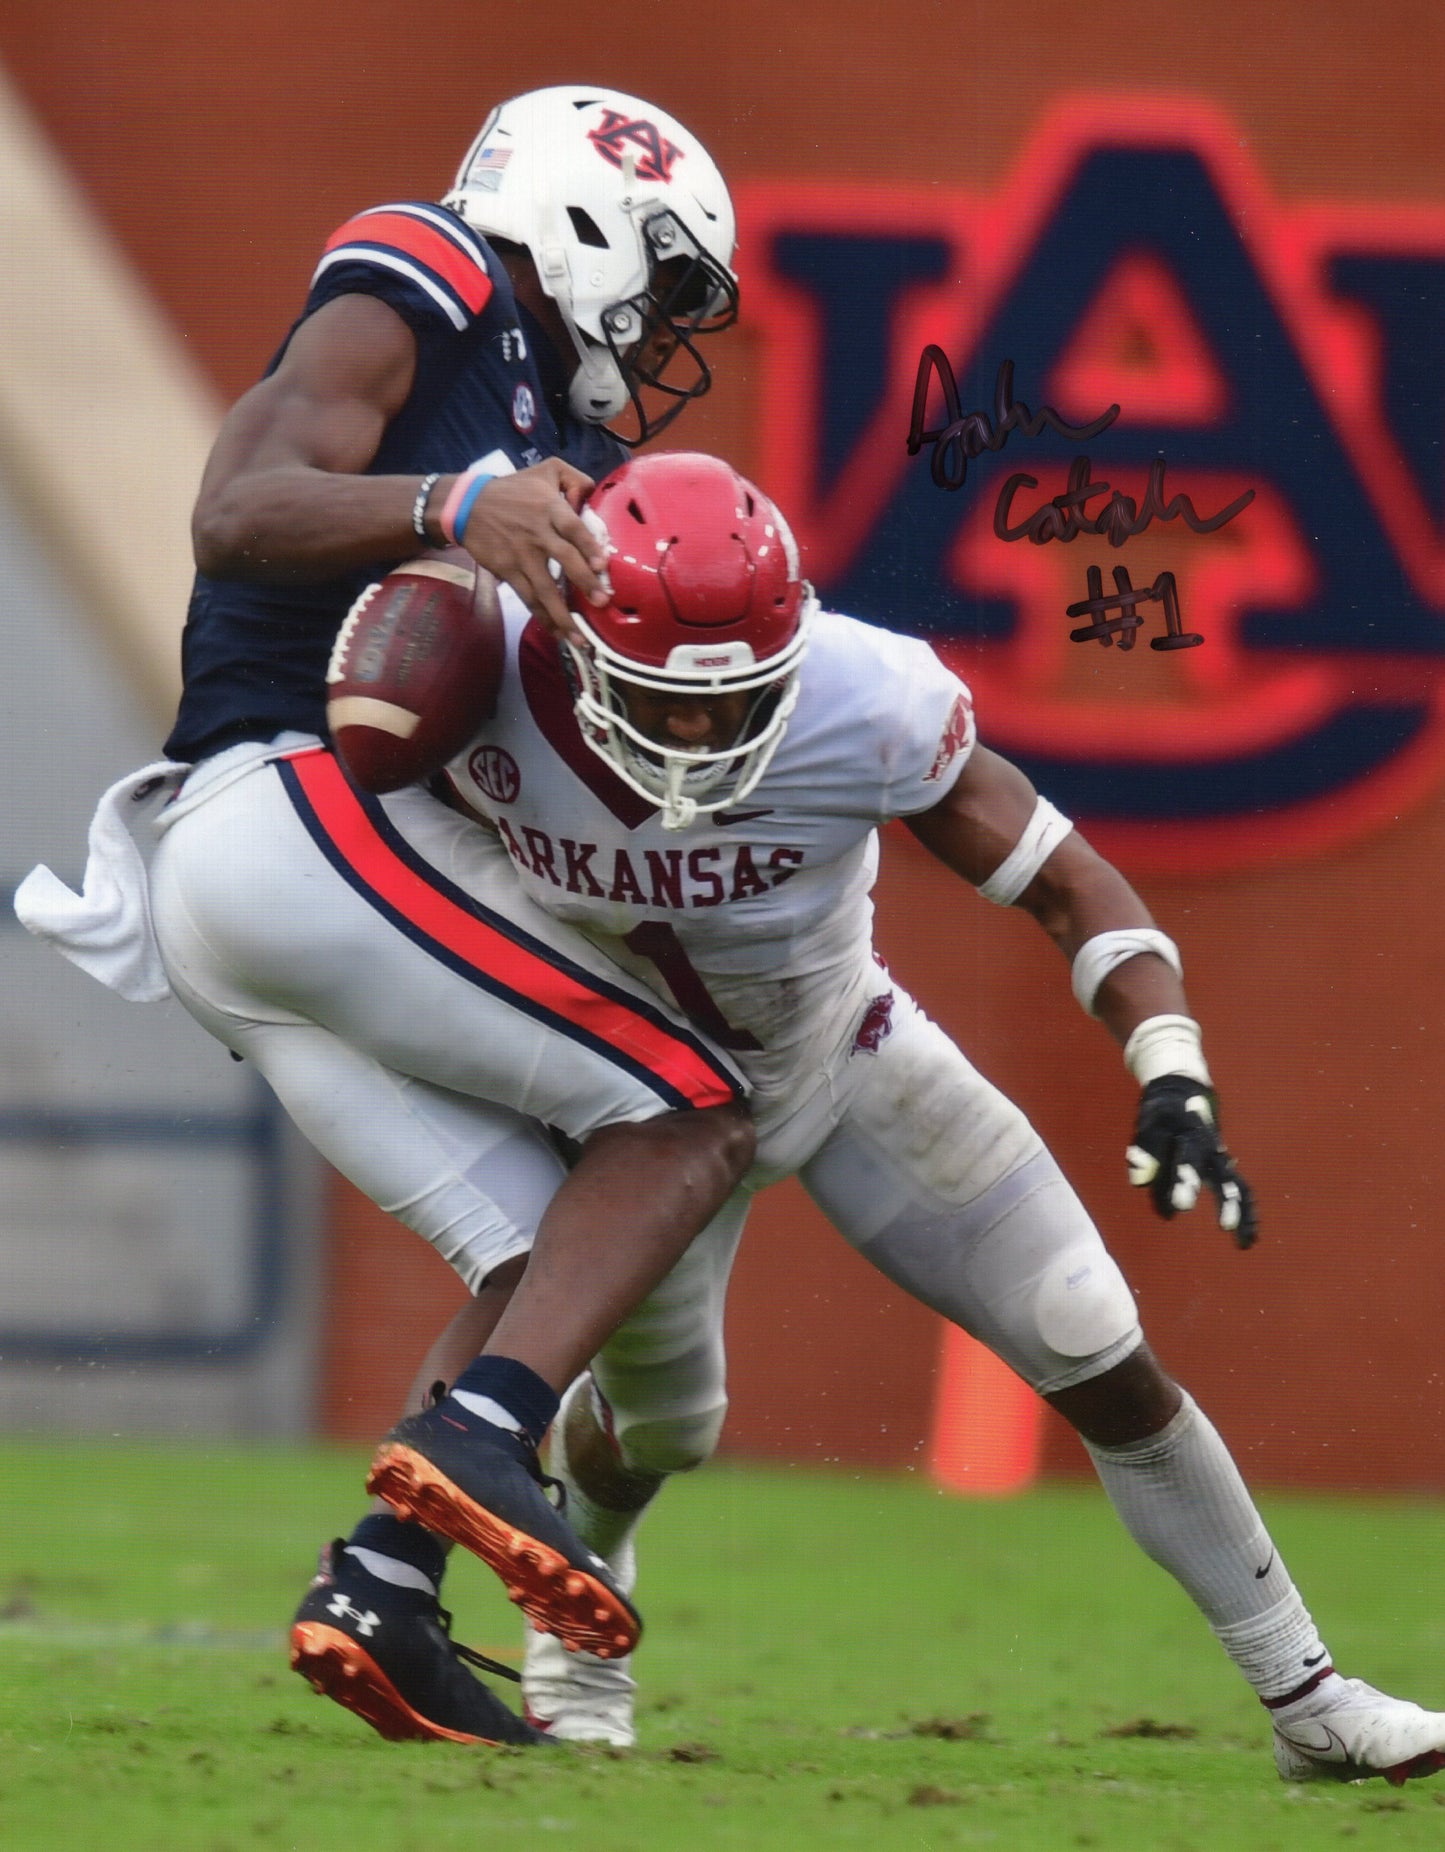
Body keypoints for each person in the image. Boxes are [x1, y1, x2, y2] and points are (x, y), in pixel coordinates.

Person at [318, 448, 1444, 1786]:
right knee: (667, 1434)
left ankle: (1304, 1696)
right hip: (640, 1119)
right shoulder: (482, 671)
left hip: (839, 1051)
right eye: (666, 703)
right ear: (570, 642)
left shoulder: (870, 698)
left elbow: (1067, 884)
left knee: (1093, 1340)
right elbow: (369, 873)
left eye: (734, 701)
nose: (698, 736)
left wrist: (1172, 1065)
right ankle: (589, 1602)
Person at [16, 88, 756, 1748]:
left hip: (284, 885)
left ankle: (383, 1586)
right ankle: (490, 1440)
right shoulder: (430, 267)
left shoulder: (570, 458)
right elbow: (237, 507)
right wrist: (447, 507)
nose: (660, 337)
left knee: (549, 1245)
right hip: (273, 812)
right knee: (693, 1116)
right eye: (663, 285)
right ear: (581, 223)